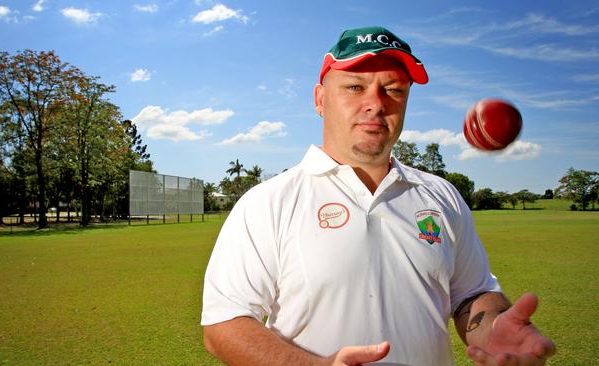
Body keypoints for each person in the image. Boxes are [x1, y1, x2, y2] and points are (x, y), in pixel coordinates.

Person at [201, 26, 555, 365]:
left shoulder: (441, 195)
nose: (376, 104)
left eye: (394, 90)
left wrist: (493, 329)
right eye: (355, 87)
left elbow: (470, 294)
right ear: (320, 99)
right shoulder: (268, 201)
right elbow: (224, 324)